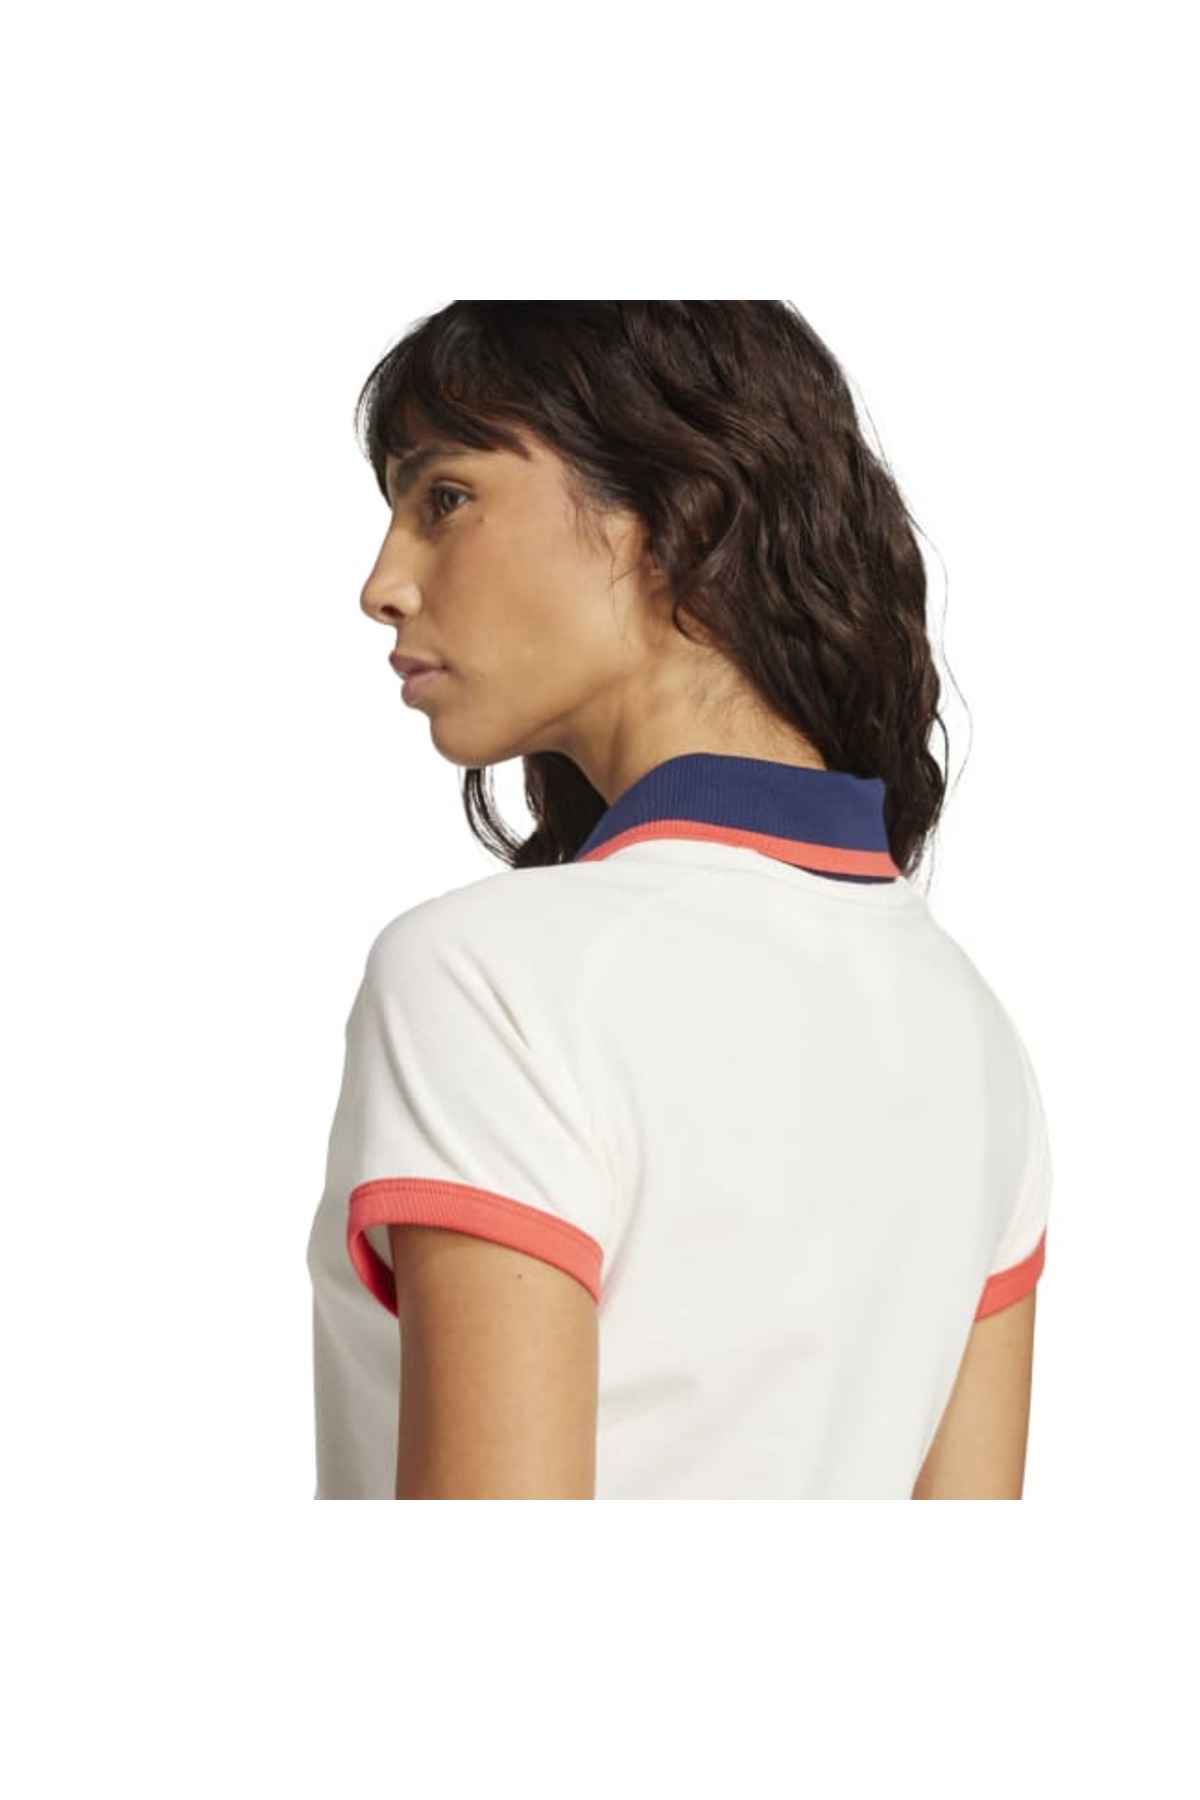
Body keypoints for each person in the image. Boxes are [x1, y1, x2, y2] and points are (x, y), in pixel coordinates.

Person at [306, 301, 1050, 1499]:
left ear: (674, 511)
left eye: (445, 497)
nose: (382, 586)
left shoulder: (487, 978)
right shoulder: (972, 1032)